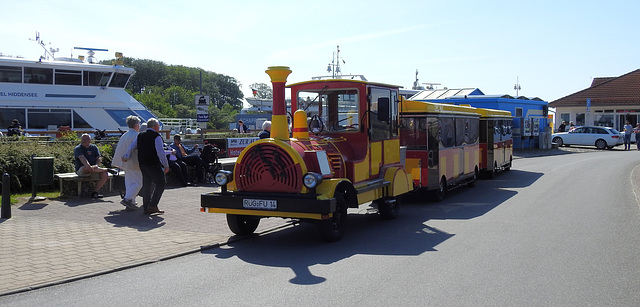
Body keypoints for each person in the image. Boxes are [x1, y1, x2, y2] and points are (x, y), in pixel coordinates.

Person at [123, 118, 169, 215]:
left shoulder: (140, 135)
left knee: (147, 185)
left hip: (143, 164)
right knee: (161, 183)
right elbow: (160, 152)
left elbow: (131, 147)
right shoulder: (156, 136)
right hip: (153, 163)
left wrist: (126, 156)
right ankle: (153, 205)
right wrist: (166, 165)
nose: (159, 127)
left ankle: (146, 207)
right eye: (158, 126)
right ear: (154, 126)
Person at [112, 115, 143, 210]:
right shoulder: (136, 136)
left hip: (124, 163)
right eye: (139, 124)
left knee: (129, 183)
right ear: (136, 124)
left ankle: (131, 201)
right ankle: (128, 199)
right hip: (134, 162)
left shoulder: (125, 135)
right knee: (138, 183)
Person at [74, 133, 118, 198]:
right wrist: (87, 165)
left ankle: (95, 192)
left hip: (95, 169)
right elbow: (82, 158)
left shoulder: (94, 147)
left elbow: (99, 158)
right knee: (87, 168)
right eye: (82, 139)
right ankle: (107, 169)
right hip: (82, 169)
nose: (83, 140)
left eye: (86, 139)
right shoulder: (78, 148)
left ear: (90, 140)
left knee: (104, 175)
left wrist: (97, 165)